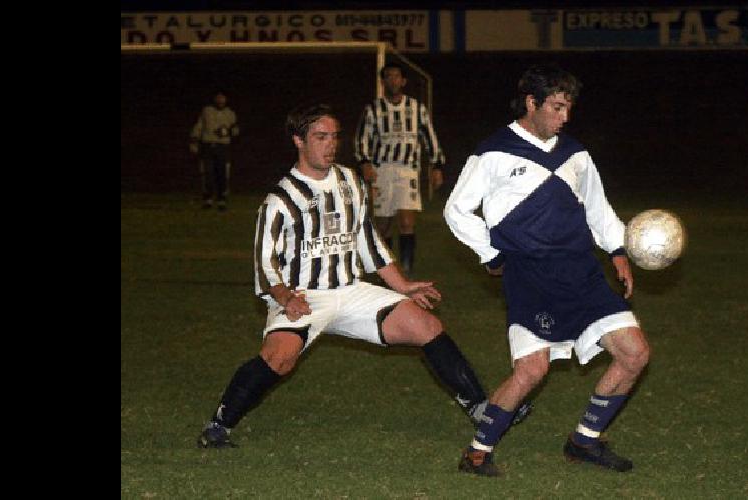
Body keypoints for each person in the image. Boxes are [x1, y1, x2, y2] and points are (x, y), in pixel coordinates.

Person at [196, 102, 528, 449]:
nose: (330, 144)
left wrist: (402, 285)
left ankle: (478, 406)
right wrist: (285, 298)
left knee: (425, 326)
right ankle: (219, 425)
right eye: (320, 137)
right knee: (279, 358)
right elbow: (265, 263)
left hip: (351, 290)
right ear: (298, 141)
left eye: (334, 137)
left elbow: (366, 240)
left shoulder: (349, 181)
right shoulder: (280, 199)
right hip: (304, 295)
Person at [443, 65, 652, 476]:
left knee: (635, 353)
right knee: (532, 369)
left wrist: (617, 250)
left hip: (582, 272)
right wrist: (491, 254)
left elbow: (597, 207)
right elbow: (456, 210)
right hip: (531, 275)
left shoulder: (575, 154)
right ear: (531, 103)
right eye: (556, 107)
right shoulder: (494, 152)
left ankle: (584, 441)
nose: (564, 117)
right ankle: (476, 452)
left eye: (568, 108)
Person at [354, 63, 446, 273]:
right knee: (384, 224)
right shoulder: (373, 109)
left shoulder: (417, 108)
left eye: (397, 76)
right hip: (382, 170)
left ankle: (406, 270)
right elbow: (362, 139)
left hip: (407, 170)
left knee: (406, 222)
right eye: (388, 77)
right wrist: (364, 163)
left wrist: (437, 165)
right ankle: (386, 272)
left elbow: (430, 138)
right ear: (383, 81)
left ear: (403, 81)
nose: (393, 80)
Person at [189, 91, 239, 211]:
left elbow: (236, 130)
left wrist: (227, 131)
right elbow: (199, 126)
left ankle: (222, 199)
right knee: (207, 172)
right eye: (218, 98)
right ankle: (208, 199)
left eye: (223, 98)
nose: (220, 101)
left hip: (223, 147)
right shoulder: (207, 111)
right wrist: (194, 141)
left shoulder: (230, 113)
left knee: (222, 173)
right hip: (208, 145)